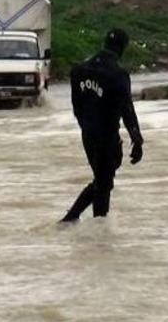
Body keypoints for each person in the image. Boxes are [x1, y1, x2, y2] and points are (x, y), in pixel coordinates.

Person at [61, 28, 144, 223]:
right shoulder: (118, 74)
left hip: (88, 134)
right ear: (122, 48)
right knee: (104, 182)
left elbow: (76, 106)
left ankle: (90, 226)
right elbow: (127, 109)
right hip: (107, 137)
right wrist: (137, 139)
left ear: (105, 43)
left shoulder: (79, 70)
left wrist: (86, 126)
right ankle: (81, 221)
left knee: (103, 181)